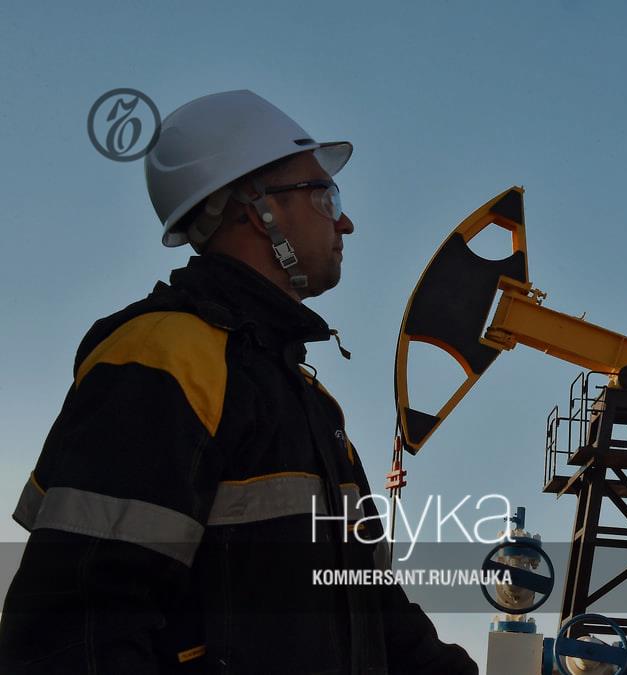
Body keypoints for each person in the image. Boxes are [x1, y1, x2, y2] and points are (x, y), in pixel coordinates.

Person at [0, 90, 478, 674]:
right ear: (258, 210)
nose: (345, 221)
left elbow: (378, 614)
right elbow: (78, 629)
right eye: (324, 195)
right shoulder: (163, 359)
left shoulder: (307, 401)